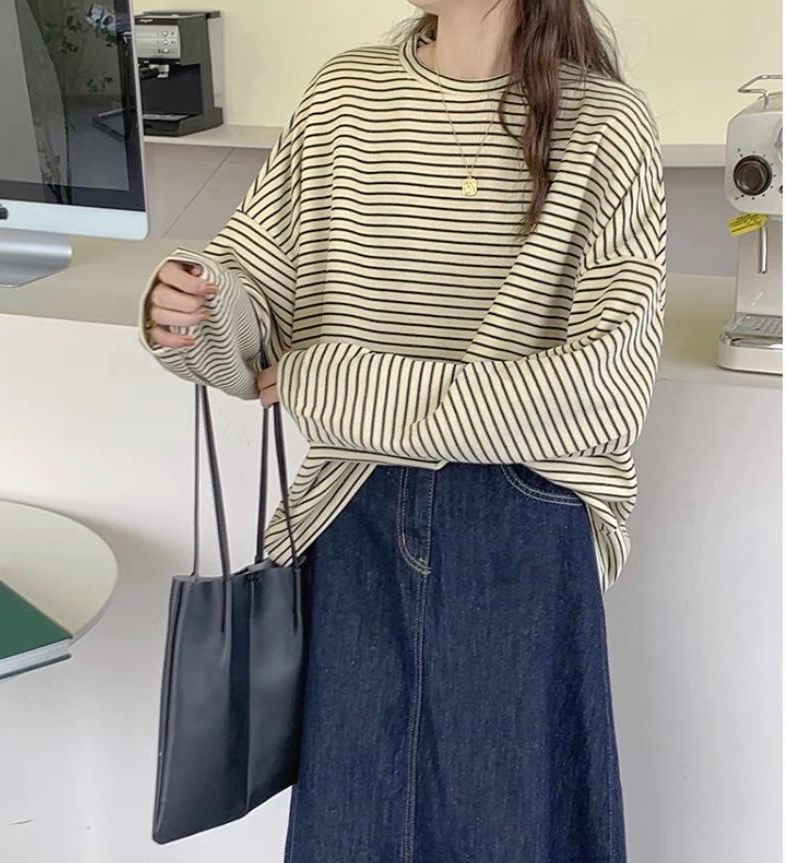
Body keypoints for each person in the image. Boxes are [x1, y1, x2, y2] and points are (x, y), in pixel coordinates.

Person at [138, 1, 667, 860]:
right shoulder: (345, 97)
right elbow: (256, 303)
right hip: (353, 521)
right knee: (352, 835)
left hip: (520, 528)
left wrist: (337, 383)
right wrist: (192, 306)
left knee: (510, 838)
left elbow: (605, 390)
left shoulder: (605, 122)